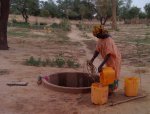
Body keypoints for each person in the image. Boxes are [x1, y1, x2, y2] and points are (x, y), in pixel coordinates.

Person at [89, 25, 121, 94]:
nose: (97, 37)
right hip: (108, 59)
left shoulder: (108, 40)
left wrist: (100, 65)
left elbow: (108, 54)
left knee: (113, 73)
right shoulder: (100, 39)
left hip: (114, 59)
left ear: (101, 32)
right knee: (109, 72)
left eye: (97, 35)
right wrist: (92, 59)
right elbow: (97, 50)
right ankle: (109, 89)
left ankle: (112, 91)